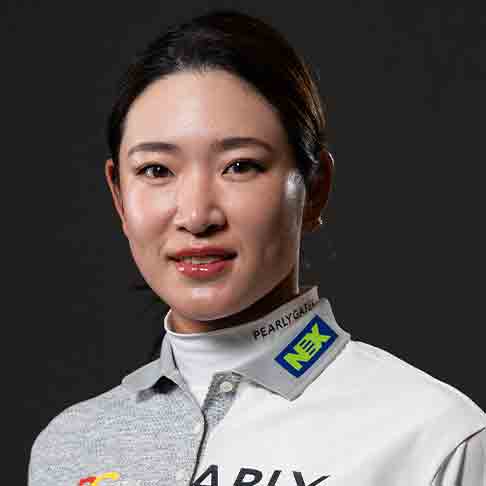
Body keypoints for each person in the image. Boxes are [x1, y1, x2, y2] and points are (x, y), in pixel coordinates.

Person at [28, 9, 486, 486]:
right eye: (156, 170)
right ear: (119, 197)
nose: (197, 216)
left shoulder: (435, 437)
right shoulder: (69, 447)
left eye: (240, 166)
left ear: (315, 188)